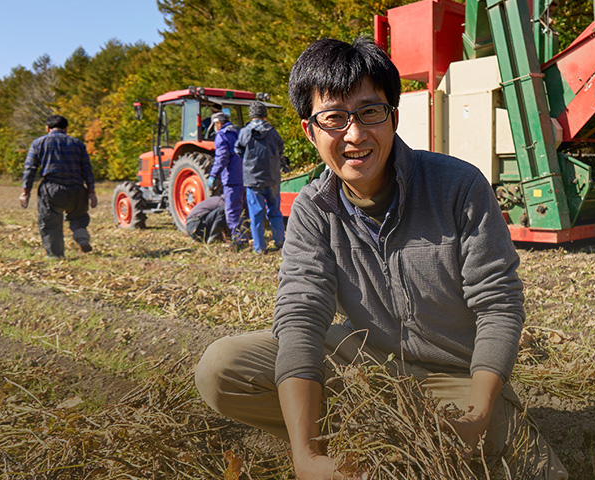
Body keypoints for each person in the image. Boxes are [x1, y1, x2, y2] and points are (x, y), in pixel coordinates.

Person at [194, 37, 568, 480]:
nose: (354, 135)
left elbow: (498, 305)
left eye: (370, 112)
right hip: (361, 367)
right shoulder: (314, 209)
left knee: (540, 473)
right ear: (309, 130)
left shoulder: (458, 187)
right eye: (333, 118)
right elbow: (300, 317)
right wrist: (305, 457)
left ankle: (401, 435)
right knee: (223, 368)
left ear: (393, 115)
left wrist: (476, 416)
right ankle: (355, 435)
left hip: (453, 376)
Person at [19, 114, 97, 258]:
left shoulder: (38, 143)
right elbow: (87, 169)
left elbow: (30, 169)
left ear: (47, 128)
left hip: (52, 189)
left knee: (50, 224)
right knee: (79, 217)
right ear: (66, 128)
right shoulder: (78, 144)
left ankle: (56, 256)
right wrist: (91, 191)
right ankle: (81, 236)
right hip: (77, 189)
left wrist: (26, 192)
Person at [235, 101, 287, 253]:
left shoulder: (245, 132)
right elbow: (281, 150)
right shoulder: (273, 132)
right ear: (265, 115)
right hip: (272, 179)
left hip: (253, 180)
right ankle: (280, 242)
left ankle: (259, 247)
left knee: (256, 215)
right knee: (275, 212)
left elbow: (238, 150)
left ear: (251, 115)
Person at [207, 112, 246, 248]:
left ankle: (239, 240)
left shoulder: (222, 135)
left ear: (218, 123)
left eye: (215, 126)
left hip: (232, 179)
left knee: (232, 210)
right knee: (243, 209)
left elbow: (222, 157)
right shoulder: (240, 132)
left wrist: (213, 175)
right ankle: (245, 236)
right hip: (246, 177)